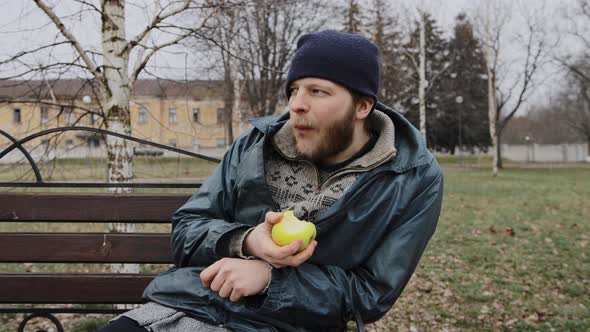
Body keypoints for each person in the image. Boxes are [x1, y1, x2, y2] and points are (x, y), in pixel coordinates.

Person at [99, 29, 443, 332]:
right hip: (191, 304)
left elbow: (371, 294)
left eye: (317, 91)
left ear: (362, 106)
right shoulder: (255, 144)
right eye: (293, 90)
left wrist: (269, 280)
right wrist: (246, 241)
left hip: (291, 322)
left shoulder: (412, 177)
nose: (297, 105)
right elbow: (187, 229)